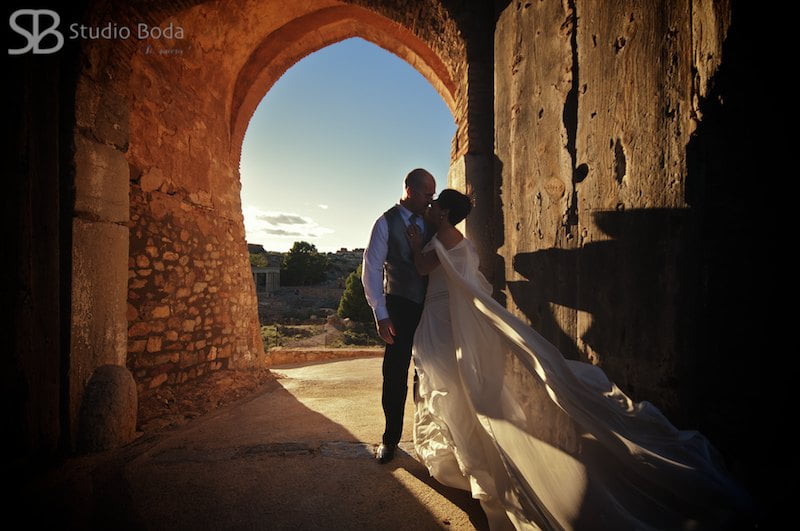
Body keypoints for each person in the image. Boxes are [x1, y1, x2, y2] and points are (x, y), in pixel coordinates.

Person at [406, 189, 753, 530]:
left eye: (435, 204)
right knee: (463, 392)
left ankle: (486, 470)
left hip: (444, 321)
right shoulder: (458, 239)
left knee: (456, 391)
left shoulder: (444, 237)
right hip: (448, 318)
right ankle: (478, 465)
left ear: (445, 214)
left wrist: (410, 242)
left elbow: (422, 268)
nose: (431, 207)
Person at [362, 168, 436, 464]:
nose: (431, 200)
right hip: (399, 307)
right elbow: (371, 269)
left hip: (432, 306)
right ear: (410, 191)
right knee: (394, 376)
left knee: (431, 373)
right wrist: (381, 314)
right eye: (427, 195)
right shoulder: (385, 223)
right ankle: (389, 440)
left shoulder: (432, 221)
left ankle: (429, 437)